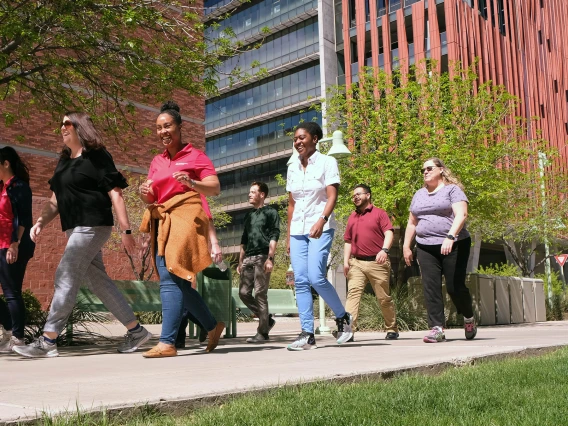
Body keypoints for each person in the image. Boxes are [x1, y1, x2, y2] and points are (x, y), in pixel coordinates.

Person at [14, 113, 152, 358]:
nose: (62, 128)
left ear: (80, 127)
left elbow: (116, 194)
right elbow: (55, 201)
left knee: (65, 274)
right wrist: (39, 222)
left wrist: (126, 231)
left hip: (93, 225)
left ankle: (48, 339)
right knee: (99, 282)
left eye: (67, 123)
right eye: (60, 124)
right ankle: (137, 331)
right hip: (73, 229)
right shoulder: (64, 160)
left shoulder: (96, 155)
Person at [138, 100, 225, 358]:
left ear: (179, 127)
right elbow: (152, 198)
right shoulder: (157, 161)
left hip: (186, 216)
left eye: (167, 126)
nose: (163, 132)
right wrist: (145, 194)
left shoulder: (195, 156)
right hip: (163, 219)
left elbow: (215, 187)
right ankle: (212, 325)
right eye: (158, 128)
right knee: (177, 281)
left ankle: (167, 342)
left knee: (168, 276)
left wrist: (192, 182)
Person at [286, 122, 353, 351]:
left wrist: (322, 220)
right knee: (301, 281)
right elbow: (291, 204)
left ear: (315, 139)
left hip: (320, 227)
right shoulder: (292, 166)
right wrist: (288, 236)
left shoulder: (327, 162)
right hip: (297, 230)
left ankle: (343, 318)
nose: (298, 142)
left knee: (316, 277)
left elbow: (332, 196)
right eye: (295, 139)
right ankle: (307, 333)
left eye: (302, 137)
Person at [402, 157, 477, 343]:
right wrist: (406, 246)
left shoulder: (453, 190)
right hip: (425, 246)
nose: (425, 172)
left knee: (454, 287)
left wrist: (450, 237)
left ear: (441, 170)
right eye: (423, 170)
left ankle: (468, 317)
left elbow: (462, 214)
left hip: (455, 243)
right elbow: (412, 223)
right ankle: (437, 328)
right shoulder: (419, 194)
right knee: (430, 287)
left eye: (429, 168)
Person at [343, 184, 398, 341]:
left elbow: (389, 233)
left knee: (383, 298)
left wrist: (384, 250)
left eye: (358, 194)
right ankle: (348, 331)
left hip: (377, 262)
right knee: (353, 295)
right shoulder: (352, 217)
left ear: (368, 195)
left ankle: (392, 328)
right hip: (357, 263)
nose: (355, 197)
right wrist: (346, 262)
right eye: (353, 196)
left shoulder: (380, 213)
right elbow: (347, 241)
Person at [0, 147, 35, 353]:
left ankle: (18, 338)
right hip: (0, 244)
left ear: (6, 163)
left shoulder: (19, 187)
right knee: (9, 292)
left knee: (12, 292)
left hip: (13, 245)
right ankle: (7, 328)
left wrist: (15, 244)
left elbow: (23, 218)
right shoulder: (3, 187)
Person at [237, 181, 280, 343]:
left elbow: (274, 234)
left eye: (253, 192)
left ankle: (263, 333)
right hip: (248, 257)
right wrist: (240, 261)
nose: (249, 194)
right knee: (243, 293)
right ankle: (266, 320)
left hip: (263, 257)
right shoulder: (249, 215)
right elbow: (244, 239)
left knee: (260, 293)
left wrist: (270, 258)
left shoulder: (270, 212)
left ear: (262, 194)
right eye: (250, 191)